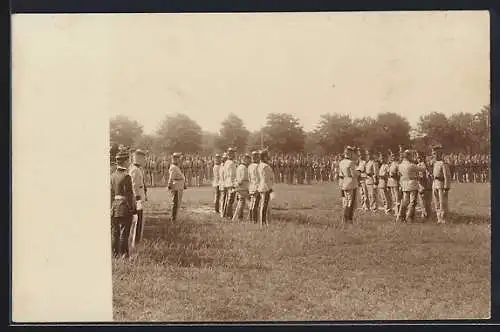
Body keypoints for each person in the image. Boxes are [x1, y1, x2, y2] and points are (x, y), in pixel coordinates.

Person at [110, 148, 136, 258]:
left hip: (114, 207)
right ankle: (125, 255)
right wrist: (133, 209)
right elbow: (129, 195)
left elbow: (111, 193)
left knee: (115, 233)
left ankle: (115, 254)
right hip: (124, 207)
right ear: (125, 162)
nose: (129, 162)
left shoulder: (112, 176)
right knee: (124, 233)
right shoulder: (126, 176)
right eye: (128, 160)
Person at [129, 149, 148, 247]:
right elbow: (134, 186)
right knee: (138, 221)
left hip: (139, 198)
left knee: (139, 221)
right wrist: (138, 200)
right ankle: (135, 243)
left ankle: (136, 241)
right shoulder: (135, 170)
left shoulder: (137, 169)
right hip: (137, 200)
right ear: (138, 158)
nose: (144, 160)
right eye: (143, 158)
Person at [396, 150, 420, 223]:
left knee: (405, 201)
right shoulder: (411, 165)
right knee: (412, 202)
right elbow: (422, 169)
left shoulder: (400, 165)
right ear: (409, 156)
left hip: (404, 184)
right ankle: (409, 217)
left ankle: (400, 216)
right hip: (412, 184)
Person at [338, 146, 359, 224]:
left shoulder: (341, 162)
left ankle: (344, 219)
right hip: (351, 184)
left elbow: (340, 174)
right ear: (350, 154)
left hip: (344, 183)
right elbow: (354, 174)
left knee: (345, 202)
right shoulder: (351, 163)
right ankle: (349, 219)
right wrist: (359, 171)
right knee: (351, 203)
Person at [431, 145, 451, 224]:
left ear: (440, 154)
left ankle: (443, 218)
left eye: (435, 154)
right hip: (435, 183)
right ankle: (438, 217)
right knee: (436, 202)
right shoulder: (435, 163)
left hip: (441, 184)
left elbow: (447, 176)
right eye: (433, 153)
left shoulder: (443, 164)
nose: (434, 155)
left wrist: (446, 187)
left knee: (442, 202)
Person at [167, 152, 187, 223]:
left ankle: (175, 218)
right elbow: (171, 178)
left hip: (179, 185)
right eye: (178, 158)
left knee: (178, 203)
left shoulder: (176, 167)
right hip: (176, 186)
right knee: (175, 203)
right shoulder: (173, 167)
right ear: (175, 159)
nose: (179, 160)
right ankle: (174, 219)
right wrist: (169, 185)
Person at [257, 149, 275, 227]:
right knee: (264, 206)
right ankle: (263, 223)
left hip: (262, 186)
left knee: (265, 206)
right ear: (264, 157)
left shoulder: (260, 165)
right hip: (266, 187)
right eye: (267, 156)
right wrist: (269, 188)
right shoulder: (266, 166)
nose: (268, 157)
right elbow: (267, 178)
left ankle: (265, 223)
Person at [233, 154, 251, 222]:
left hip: (239, 187)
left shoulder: (239, 166)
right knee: (251, 202)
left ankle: (237, 217)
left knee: (241, 202)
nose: (250, 161)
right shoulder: (244, 168)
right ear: (245, 159)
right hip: (243, 187)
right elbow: (243, 178)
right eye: (248, 159)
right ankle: (251, 216)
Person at [416, 151, 433, 221]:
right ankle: (425, 214)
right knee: (423, 202)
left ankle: (426, 215)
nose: (418, 159)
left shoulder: (424, 165)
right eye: (417, 157)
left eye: (419, 157)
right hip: (421, 185)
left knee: (425, 201)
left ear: (423, 158)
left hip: (424, 185)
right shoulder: (418, 165)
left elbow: (428, 176)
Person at [223, 148, 237, 219]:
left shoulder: (227, 162)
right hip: (231, 183)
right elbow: (232, 175)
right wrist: (234, 184)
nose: (235, 154)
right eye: (233, 153)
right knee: (230, 200)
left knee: (228, 199)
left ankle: (226, 214)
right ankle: (229, 215)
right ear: (230, 154)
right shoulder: (231, 163)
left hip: (227, 182)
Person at [248, 151, 261, 223]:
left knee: (252, 203)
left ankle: (251, 219)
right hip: (257, 186)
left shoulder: (250, 166)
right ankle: (254, 220)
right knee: (255, 204)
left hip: (251, 186)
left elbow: (249, 178)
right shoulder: (258, 166)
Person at [219, 153, 228, 218]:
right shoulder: (223, 166)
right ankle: (222, 213)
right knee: (223, 199)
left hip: (222, 184)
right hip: (224, 184)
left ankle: (222, 212)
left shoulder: (222, 166)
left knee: (223, 199)